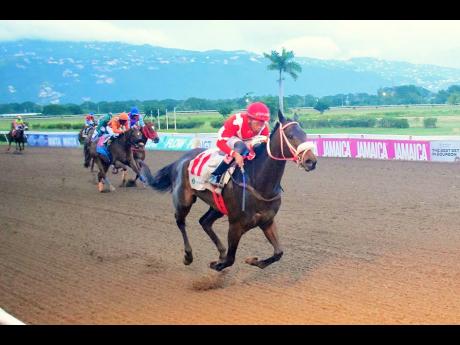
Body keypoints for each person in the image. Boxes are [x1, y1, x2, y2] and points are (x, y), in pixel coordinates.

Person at [208, 102, 271, 187]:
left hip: (247, 139)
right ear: (249, 119)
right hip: (231, 137)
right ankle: (216, 174)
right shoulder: (236, 121)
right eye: (257, 124)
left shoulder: (264, 127)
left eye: (262, 123)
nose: (260, 127)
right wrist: (235, 154)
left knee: (259, 147)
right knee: (241, 147)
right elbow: (220, 143)